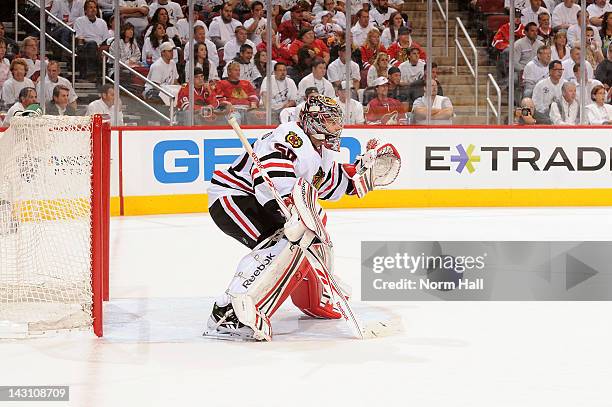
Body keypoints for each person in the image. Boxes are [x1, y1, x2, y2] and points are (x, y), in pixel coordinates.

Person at [204, 94, 392, 341]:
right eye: (331, 121)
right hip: (235, 197)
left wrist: (358, 174)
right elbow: (268, 177)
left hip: (262, 200)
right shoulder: (289, 137)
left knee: (307, 240)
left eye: (338, 121)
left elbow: (324, 184)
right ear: (313, 121)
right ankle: (227, 314)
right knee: (285, 243)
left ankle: (314, 299)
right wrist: (290, 206)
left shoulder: (319, 149)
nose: (338, 127)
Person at [74, 0, 111, 81]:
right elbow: (79, 38)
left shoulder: (102, 22)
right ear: (85, 10)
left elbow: (106, 39)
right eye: (90, 7)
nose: (93, 9)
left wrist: (101, 47)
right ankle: (91, 73)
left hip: (100, 47)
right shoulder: (79, 21)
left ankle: (105, 75)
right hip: (85, 46)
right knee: (92, 44)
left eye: (95, 7)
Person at [492, 8, 525, 84]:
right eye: (515, 16)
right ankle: (503, 78)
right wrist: (508, 46)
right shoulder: (504, 28)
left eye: (519, 17)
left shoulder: (524, 29)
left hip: (521, 53)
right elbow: (495, 42)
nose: (517, 18)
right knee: (507, 51)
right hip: (508, 53)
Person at [532, 59, 566, 124]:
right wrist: (548, 111)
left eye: (561, 70)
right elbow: (536, 103)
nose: (560, 72)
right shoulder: (541, 85)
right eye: (557, 70)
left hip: (561, 113)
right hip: (544, 114)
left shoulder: (565, 84)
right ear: (550, 71)